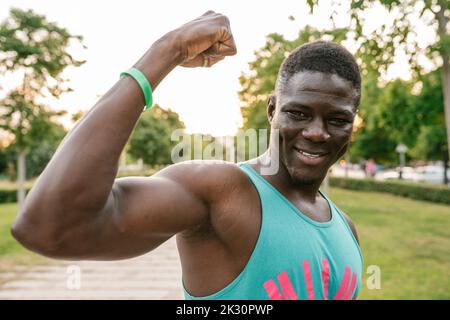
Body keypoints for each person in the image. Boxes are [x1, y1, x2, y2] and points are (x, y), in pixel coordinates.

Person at [11, 11, 363, 300]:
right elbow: (49, 228)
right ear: (272, 110)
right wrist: (167, 50)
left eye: (336, 119)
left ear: (351, 125)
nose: (317, 132)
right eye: (298, 113)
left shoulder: (345, 228)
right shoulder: (223, 191)